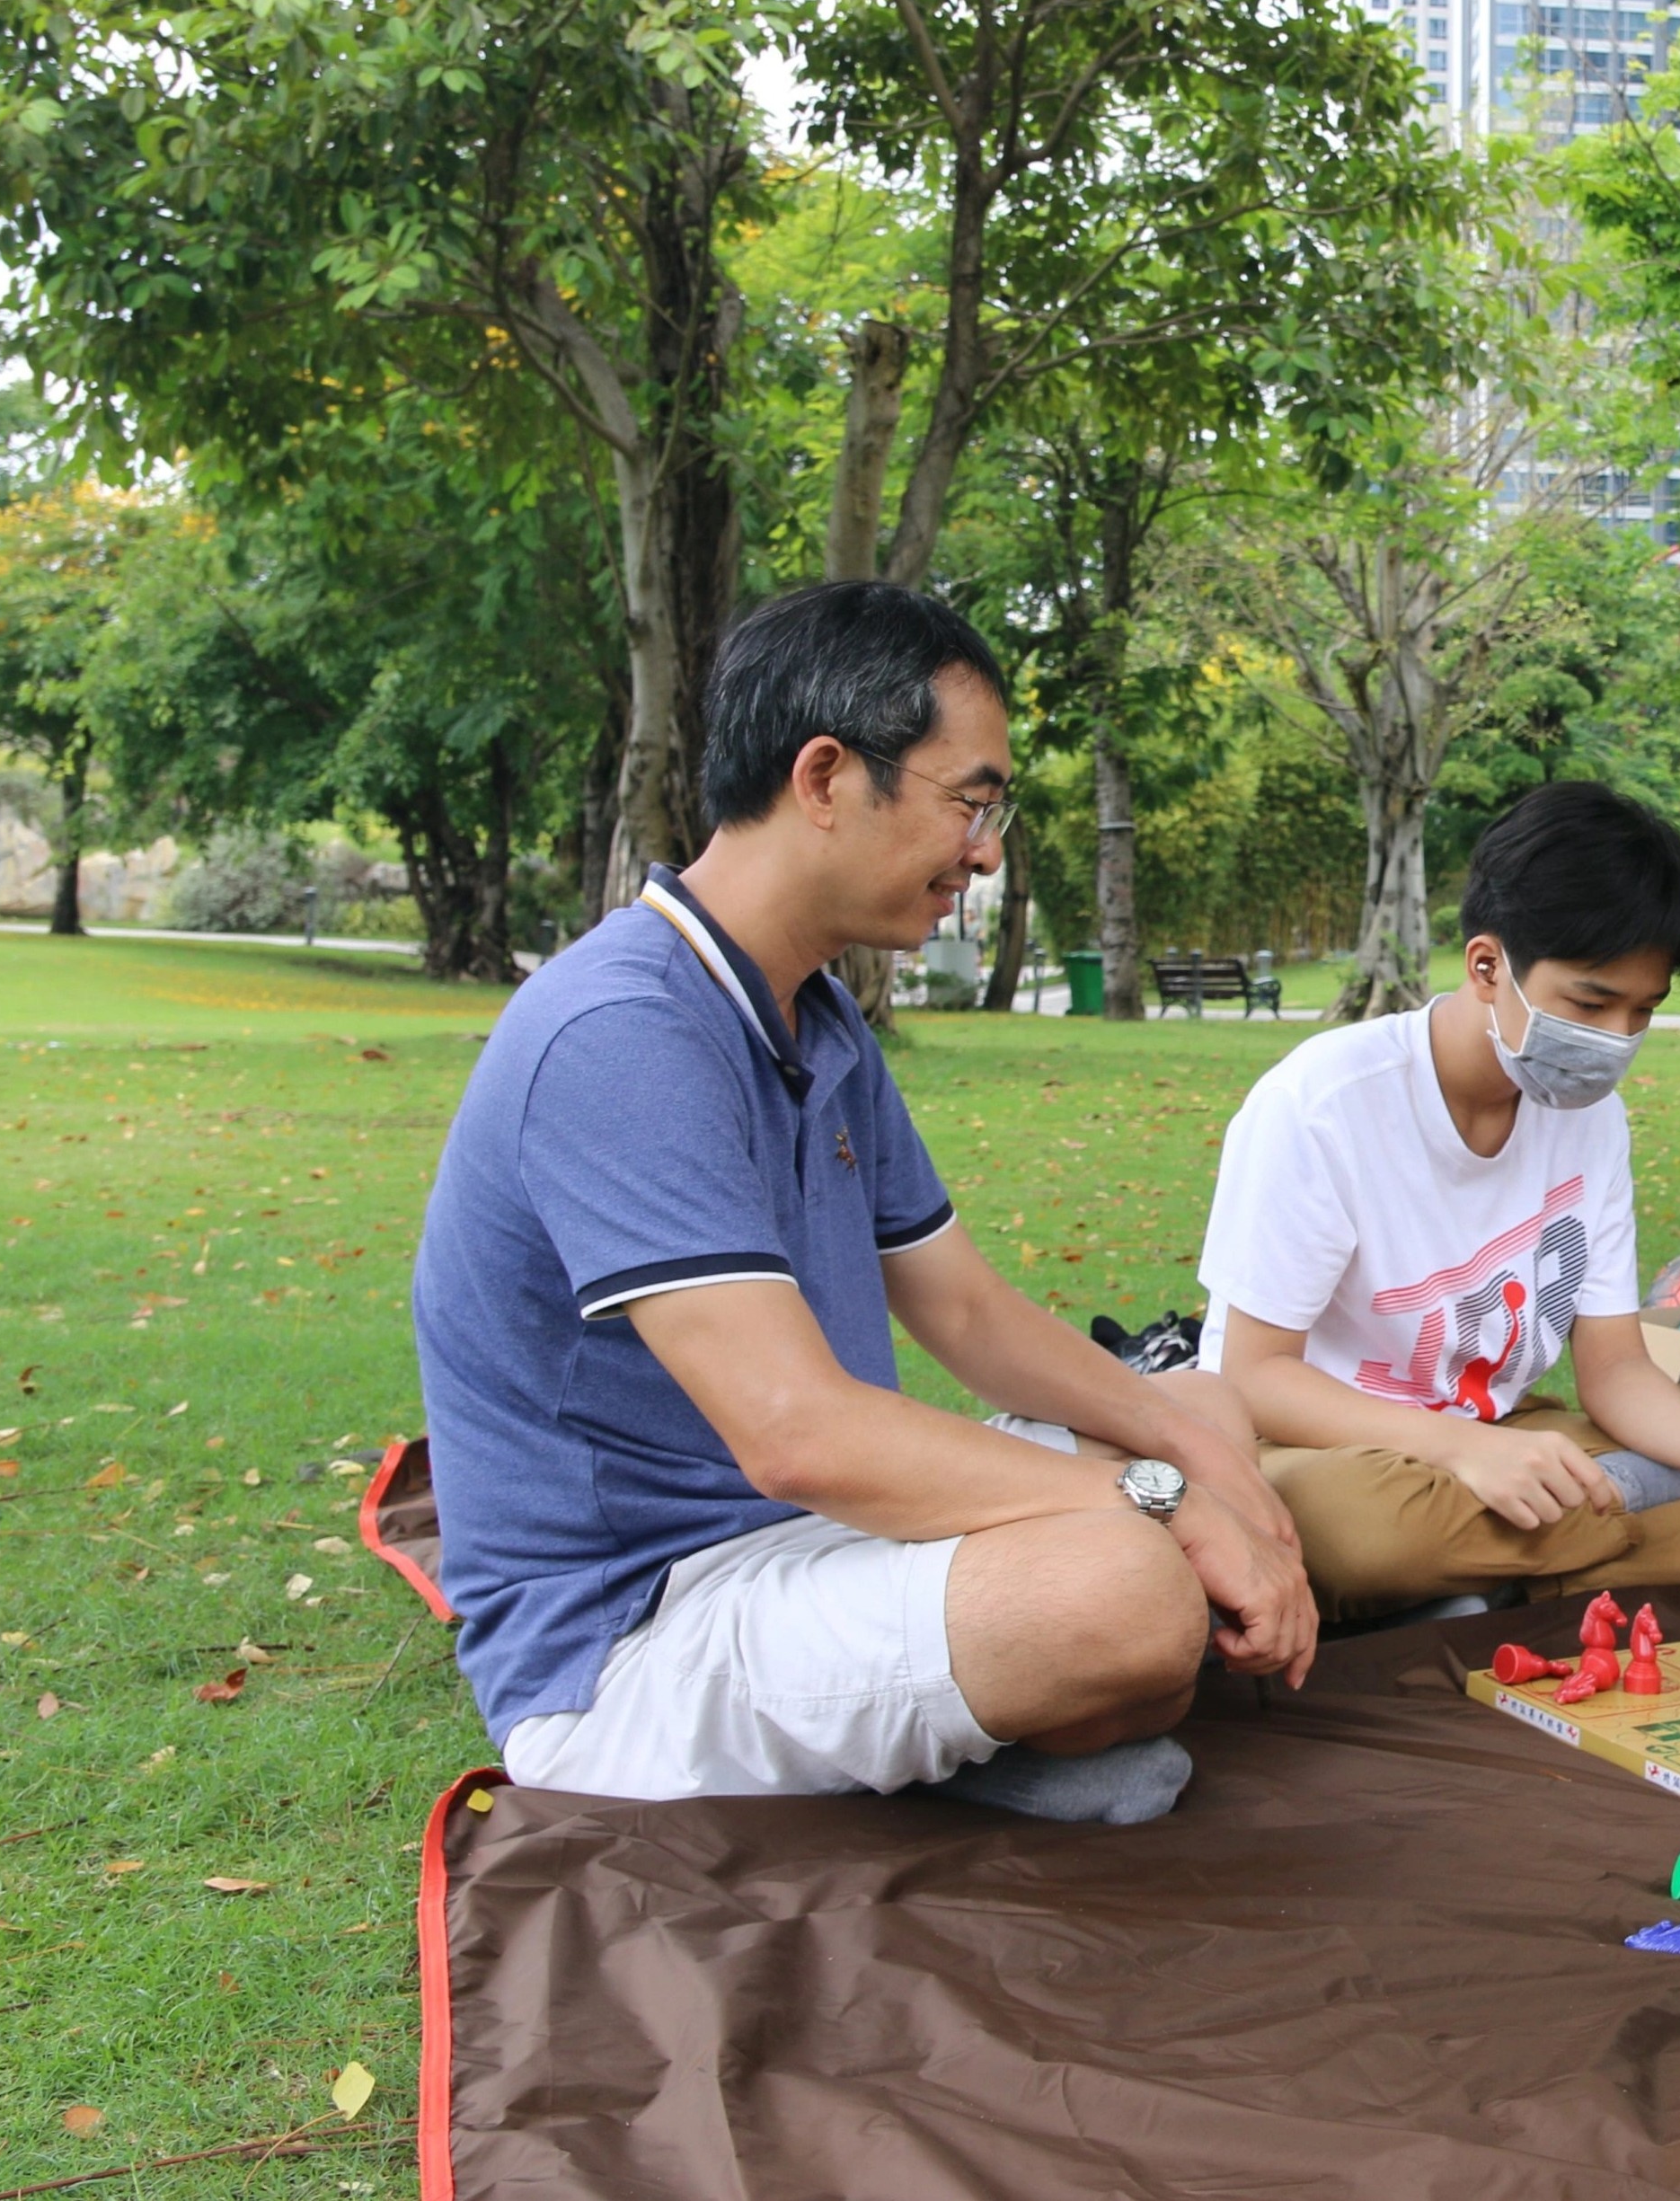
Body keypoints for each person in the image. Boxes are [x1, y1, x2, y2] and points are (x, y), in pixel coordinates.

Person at [411, 582, 1312, 1823]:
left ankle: (995, 1722)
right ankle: (1008, 1717)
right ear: (827, 775)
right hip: (638, 1632)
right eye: (971, 801)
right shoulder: (619, 1030)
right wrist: (1167, 1502)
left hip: (816, 1544)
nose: (986, 852)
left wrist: (1194, 1451)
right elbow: (799, 1435)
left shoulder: (816, 1014)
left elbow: (969, 1311)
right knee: (1129, 1589)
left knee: (1198, 1399)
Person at [1198, 782, 1680, 1618]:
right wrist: (1457, 1450)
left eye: (1643, 1011)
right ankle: (1585, 1546)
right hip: (1331, 1454)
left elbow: (1616, 1368)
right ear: (1488, 966)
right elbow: (1254, 1375)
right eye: (1592, 1003)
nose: (1617, 1040)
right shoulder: (1324, 1102)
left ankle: (1516, 1572)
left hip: (1515, 1445)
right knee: (1364, 1534)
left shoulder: (1590, 1120)